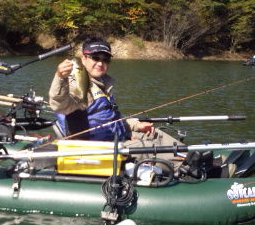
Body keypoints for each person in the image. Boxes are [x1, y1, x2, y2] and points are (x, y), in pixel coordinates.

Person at [48, 36, 184, 170]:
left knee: (156, 135)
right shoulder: (74, 83)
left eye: (105, 59)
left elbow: (108, 119)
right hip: (98, 149)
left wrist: (135, 125)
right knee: (155, 149)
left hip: (117, 139)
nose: (100, 63)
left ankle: (188, 156)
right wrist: (60, 78)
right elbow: (60, 105)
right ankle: (186, 166)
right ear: (83, 58)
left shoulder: (101, 84)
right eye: (95, 58)